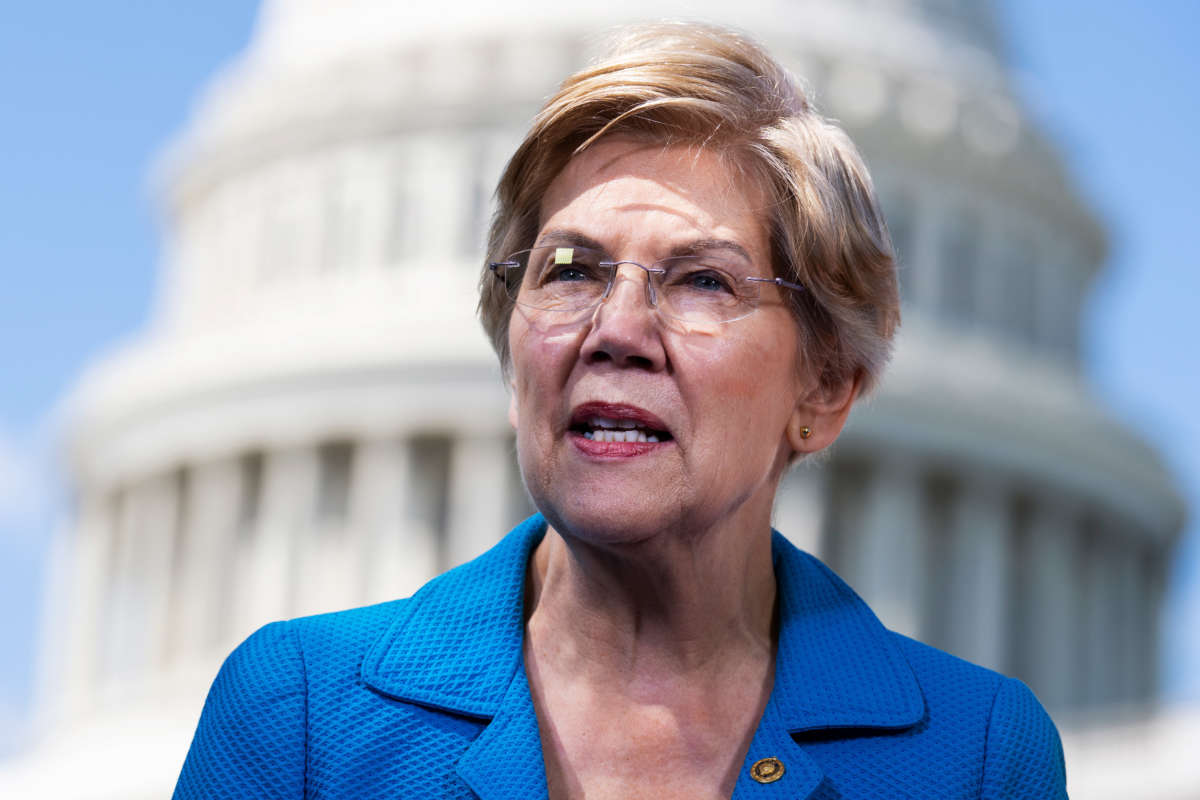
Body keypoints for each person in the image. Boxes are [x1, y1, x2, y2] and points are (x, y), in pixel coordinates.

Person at [174, 22, 1066, 800]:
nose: (619, 330)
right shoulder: (300, 722)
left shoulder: (974, 761)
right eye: (570, 270)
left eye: (704, 280)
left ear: (824, 389)